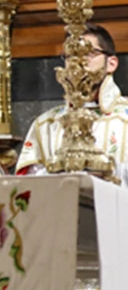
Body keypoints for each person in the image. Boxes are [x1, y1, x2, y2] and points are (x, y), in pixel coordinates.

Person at [16, 23, 128, 179]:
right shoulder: (46, 125)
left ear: (111, 63)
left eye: (89, 53)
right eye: (71, 55)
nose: (79, 62)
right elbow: (29, 188)